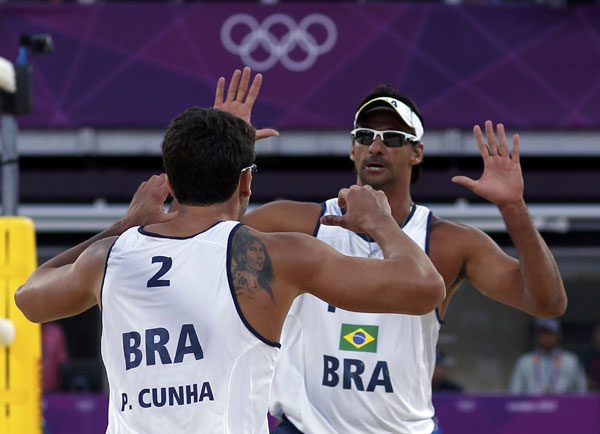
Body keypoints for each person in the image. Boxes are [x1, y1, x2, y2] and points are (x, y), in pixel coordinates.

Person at [15, 101, 445, 433]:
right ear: (246, 181)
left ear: (170, 178)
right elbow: (425, 287)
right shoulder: (275, 256)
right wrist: (381, 223)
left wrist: (125, 224)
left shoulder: (108, 257)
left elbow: (28, 297)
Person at [213, 67, 567, 433]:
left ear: (417, 152)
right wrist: (225, 158)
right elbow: (212, 241)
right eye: (365, 135)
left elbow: (547, 303)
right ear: (353, 149)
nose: (376, 145)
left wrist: (513, 207)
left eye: (393, 137)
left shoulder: (446, 241)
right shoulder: (298, 222)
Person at [509, 319, 586, 394]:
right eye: (542, 333)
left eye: (550, 333)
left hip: (564, 405)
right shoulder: (524, 361)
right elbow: (515, 393)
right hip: (532, 405)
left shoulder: (571, 361)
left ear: (558, 335)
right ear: (537, 336)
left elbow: (581, 392)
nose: (546, 337)